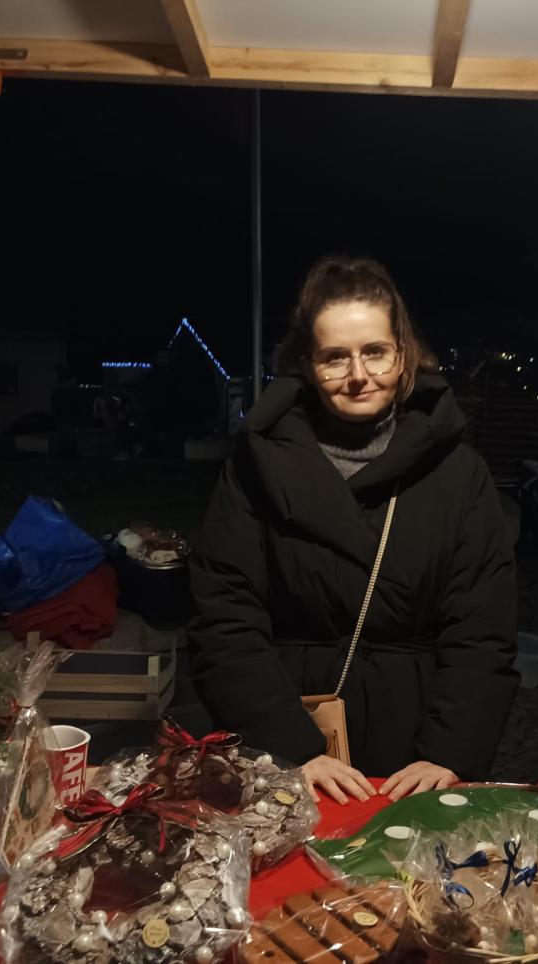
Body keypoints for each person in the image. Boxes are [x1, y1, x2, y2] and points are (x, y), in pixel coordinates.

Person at [188, 256, 518, 804]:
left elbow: (483, 629)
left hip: (416, 746)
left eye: (375, 352)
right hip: (287, 738)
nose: (358, 374)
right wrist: (290, 747)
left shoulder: (458, 472)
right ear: (307, 363)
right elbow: (223, 618)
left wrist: (450, 751)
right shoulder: (255, 466)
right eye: (335, 357)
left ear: (403, 354)